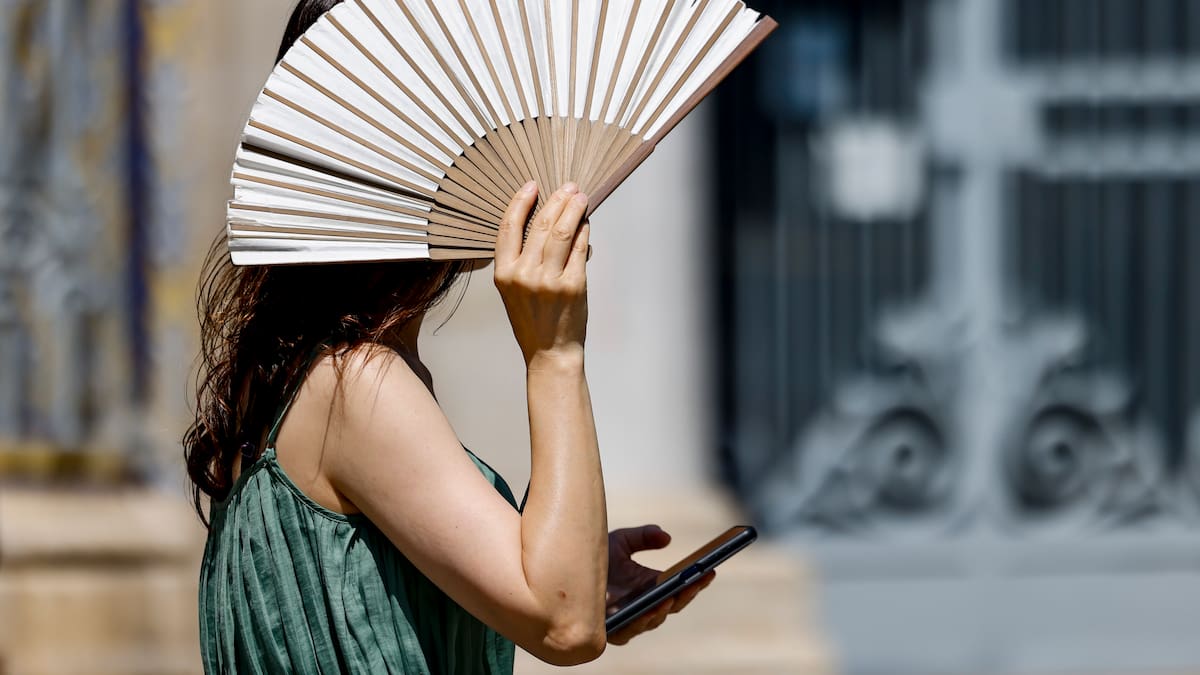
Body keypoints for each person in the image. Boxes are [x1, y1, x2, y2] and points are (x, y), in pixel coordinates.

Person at [183, 1, 714, 672]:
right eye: (475, 120)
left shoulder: (301, 370)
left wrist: (570, 563)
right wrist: (553, 352)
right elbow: (565, 627)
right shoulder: (357, 384)